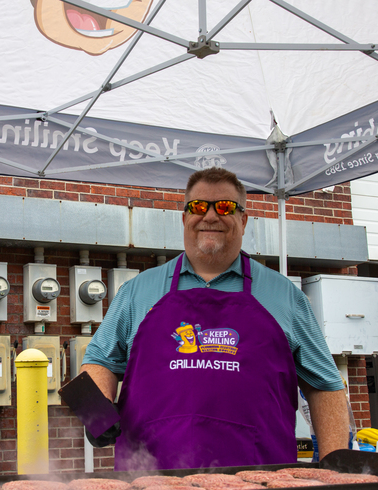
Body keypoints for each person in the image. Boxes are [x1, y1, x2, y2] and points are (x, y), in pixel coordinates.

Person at [80, 167, 349, 470]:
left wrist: (333, 473)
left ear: (243, 220)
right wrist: (97, 417)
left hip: (261, 487)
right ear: (184, 218)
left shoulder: (285, 296)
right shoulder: (137, 292)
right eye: (198, 206)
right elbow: (99, 361)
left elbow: (326, 386)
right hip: (150, 485)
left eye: (224, 207)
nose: (210, 216)